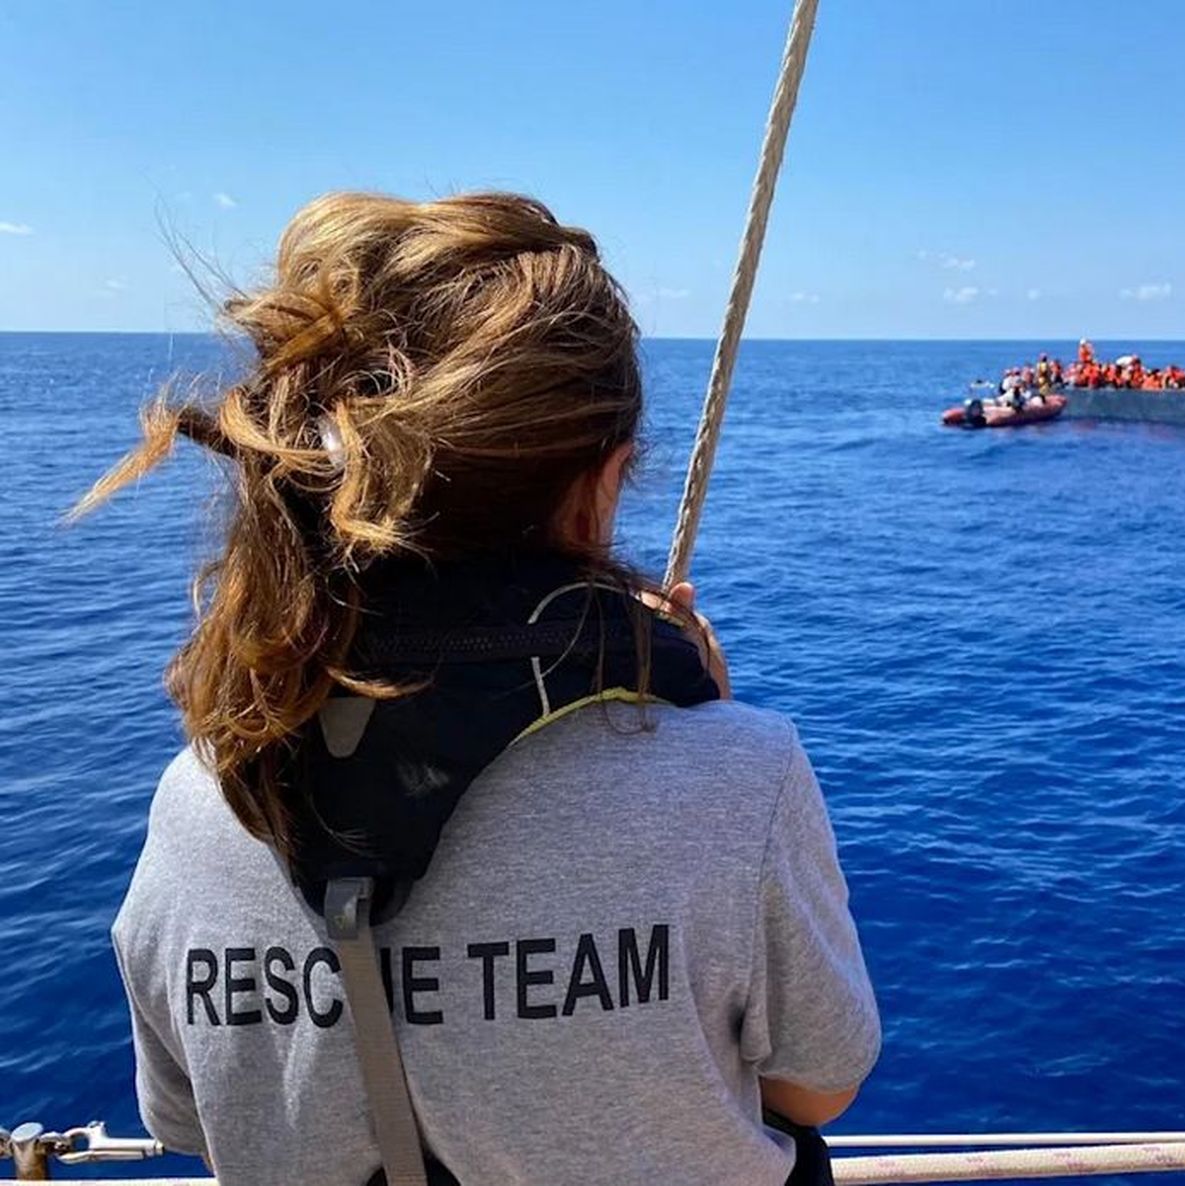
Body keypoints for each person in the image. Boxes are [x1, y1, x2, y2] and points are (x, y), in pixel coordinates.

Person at [83, 192, 880, 1186]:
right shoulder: (743, 773)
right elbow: (816, 1086)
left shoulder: (197, 798)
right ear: (603, 480)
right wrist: (701, 721)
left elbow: (189, 1119)